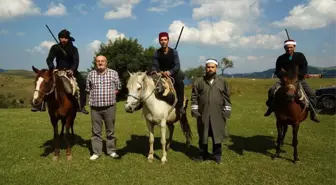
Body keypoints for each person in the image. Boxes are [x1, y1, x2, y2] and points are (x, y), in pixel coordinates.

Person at [31, 29, 89, 114]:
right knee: (46, 83)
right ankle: (40, 105)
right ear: (59, 38)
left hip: (71, 70)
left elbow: (76, 61)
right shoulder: (55, 47)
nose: (63, 40)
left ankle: (81, 106)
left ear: (68, 39)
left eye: (65, 38)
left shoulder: (74, 49)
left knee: (82, 83)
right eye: (61, 38)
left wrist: (72, 70)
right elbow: (49, 59)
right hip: (58, 70)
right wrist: (52, 67)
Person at [264, 39, 320, 123]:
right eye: (287, 47)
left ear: (294, 47)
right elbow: (277, 70)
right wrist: (282, 76)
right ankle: (271, 108)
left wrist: (298, 76)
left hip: (298, 80)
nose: (289, 49)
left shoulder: (300, 56)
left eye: (291, 47)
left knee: (311, 93)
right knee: (272, 90)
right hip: (284, 81)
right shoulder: (280, 58)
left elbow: (304, 67)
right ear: (284, 48)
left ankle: (313, 112)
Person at [190, 58, 232, 164]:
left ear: (216, 68)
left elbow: (227, 97)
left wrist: (226, 110)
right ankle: (202, 154)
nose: (210, 69)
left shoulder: (222, 82)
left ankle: (217, 155)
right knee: (203, 134)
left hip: (217, 113)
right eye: (208, 67)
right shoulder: (199, 81)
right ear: (205, 68)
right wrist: (194, 110)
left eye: (212, 67)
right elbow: (194, 96)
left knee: (216, 134)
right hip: (203, 113)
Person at [86, 55, 121, 160]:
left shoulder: (113, 73)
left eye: (102, 61)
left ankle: (111, 151)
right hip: (95, 108)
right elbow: (88, 89)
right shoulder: (91, 74)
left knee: (110, 130)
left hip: (110, 107)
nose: (100, 63)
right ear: (95, 63)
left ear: (106, 62)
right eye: (98, 61)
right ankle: (96, 152)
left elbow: (118, 87)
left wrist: (111, 94)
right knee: (96, 131)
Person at [151, 32, 185, 114]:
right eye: (161, 40)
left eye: (165, 40)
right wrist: (160, 72)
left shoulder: (174, 52)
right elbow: (155, 66)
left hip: (172, 74)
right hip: (160, 75)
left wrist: (169, 72)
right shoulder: (156, 53)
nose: (163, 41)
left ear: (168, 41)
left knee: (180, 84)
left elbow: (177, 66)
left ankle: (180, 106)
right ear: (159, 41)